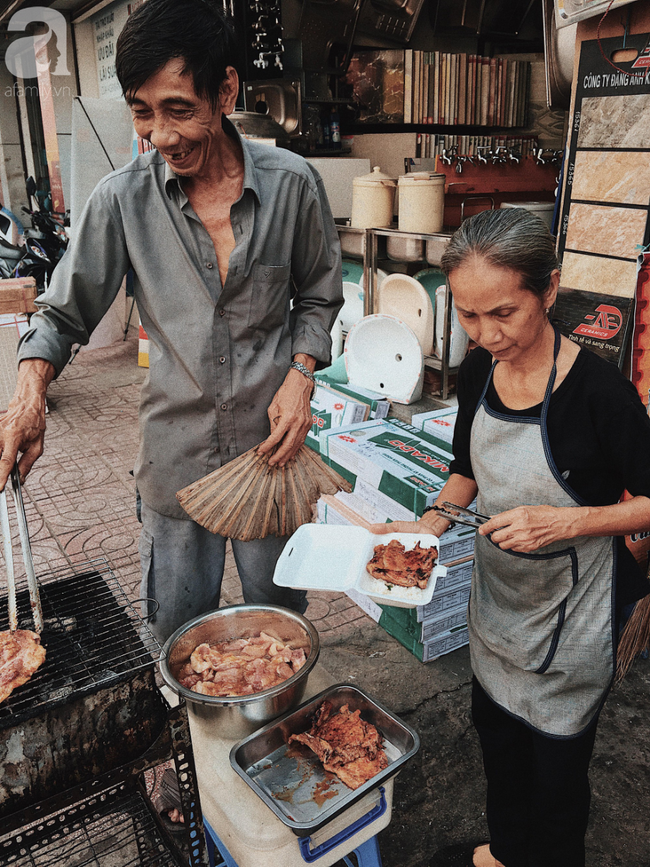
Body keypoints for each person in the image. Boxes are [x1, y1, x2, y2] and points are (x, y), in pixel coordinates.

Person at [0, 0, 343, 645]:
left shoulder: (293, 186)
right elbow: (63, 313)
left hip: (272, 455)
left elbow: (319, 299)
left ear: (226, 91)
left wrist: (301, 374)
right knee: (180, 638)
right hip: (174, 460)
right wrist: (27, 395)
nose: (160, 135)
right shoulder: (120, 200)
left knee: (281, 633)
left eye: (179, 109)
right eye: (142, 111)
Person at [372, 208, 650, 867]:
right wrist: (429, 522)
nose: (485, 333)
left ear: (548, 290)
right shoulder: (477, 372)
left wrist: (569, 521)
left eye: (502, 312)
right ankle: (505, 851)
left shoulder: (601, 394)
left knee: (556, 780)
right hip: (498, 608)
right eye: (468, 315)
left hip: (574, 623)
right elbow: (465, 467)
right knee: (498, 747)